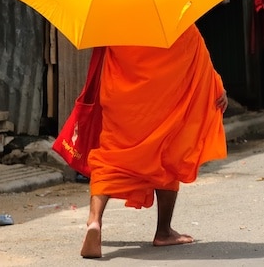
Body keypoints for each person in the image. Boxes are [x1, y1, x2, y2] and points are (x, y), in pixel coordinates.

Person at [80, 24, 229, 259]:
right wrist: (217, 86)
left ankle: (94, 221)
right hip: (166, 100)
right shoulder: (177, 21)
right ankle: (163, 231)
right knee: (168, 154)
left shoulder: (113, 22)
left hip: (122, 101)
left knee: (110, 157)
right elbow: (199, 60)